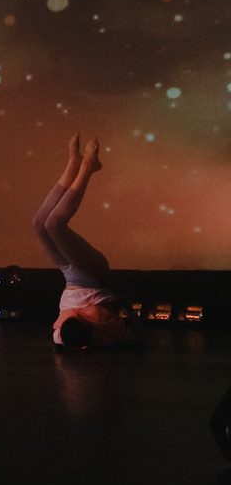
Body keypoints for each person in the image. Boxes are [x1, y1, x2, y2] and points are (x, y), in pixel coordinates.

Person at [33, 135, 143, 350]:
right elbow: (139, 338)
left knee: (39, 223)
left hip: (69, 275)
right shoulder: (105, 326)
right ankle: (86, 168)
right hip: (92, 276)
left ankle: (73, 165)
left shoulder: (63, 336)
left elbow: (63, 331)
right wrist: (128, 309)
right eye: (81, 316)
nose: (73, 313)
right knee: (54, 225)